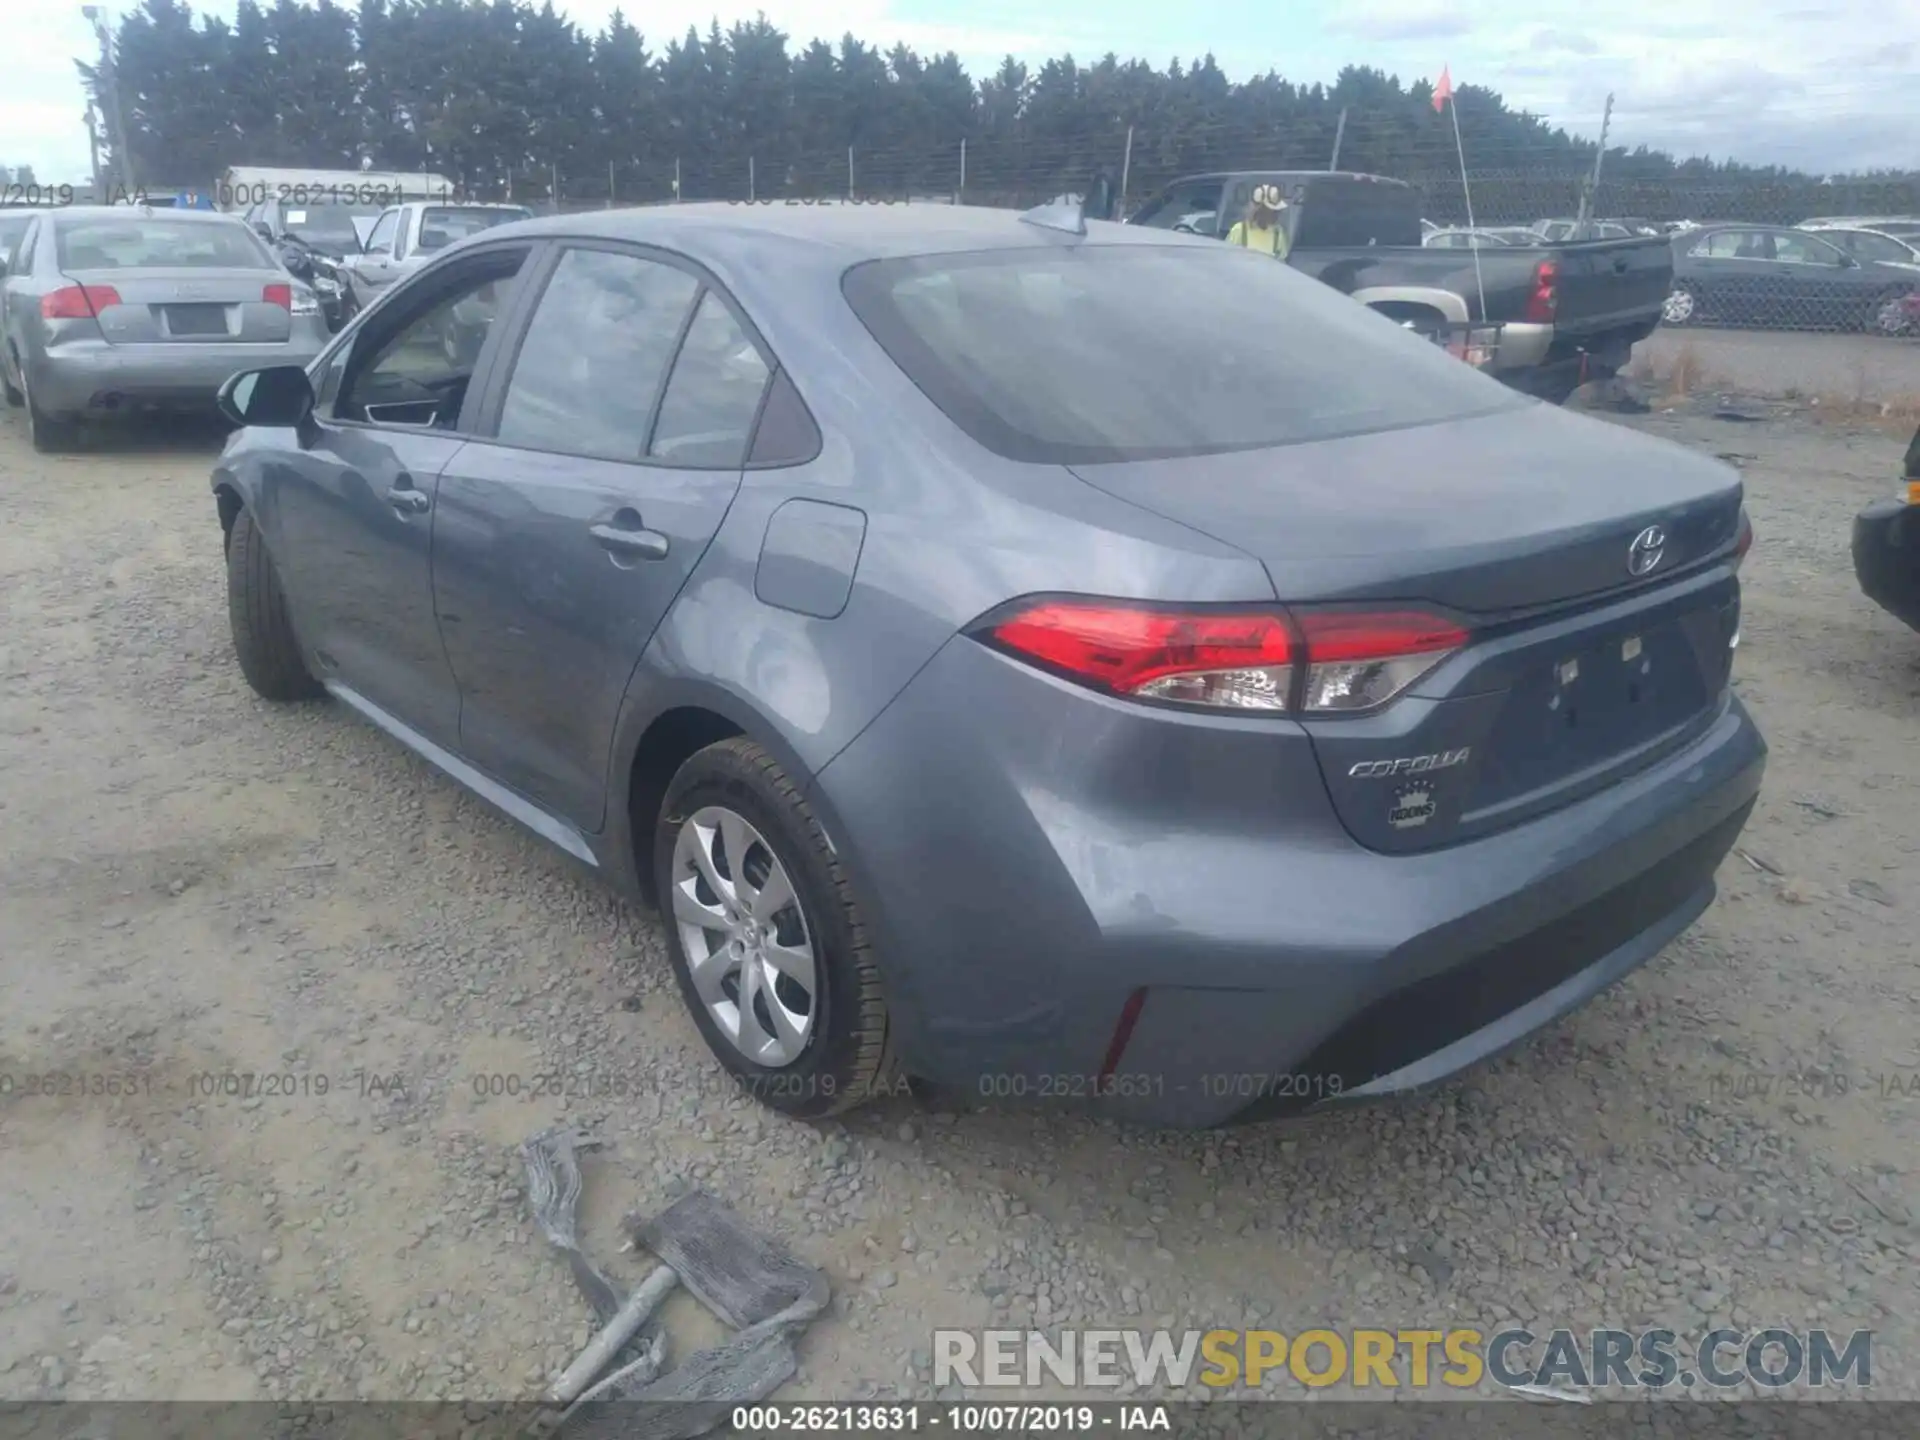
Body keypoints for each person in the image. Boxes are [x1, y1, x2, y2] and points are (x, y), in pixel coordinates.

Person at [1226, 184, 1291, 259]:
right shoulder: (1239, 230)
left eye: (1277, 211)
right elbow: (1228, 259)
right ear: (1260, 210)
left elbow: (1282, 263)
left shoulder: (1278, 233)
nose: (1276, 214)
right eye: (1272, 211)